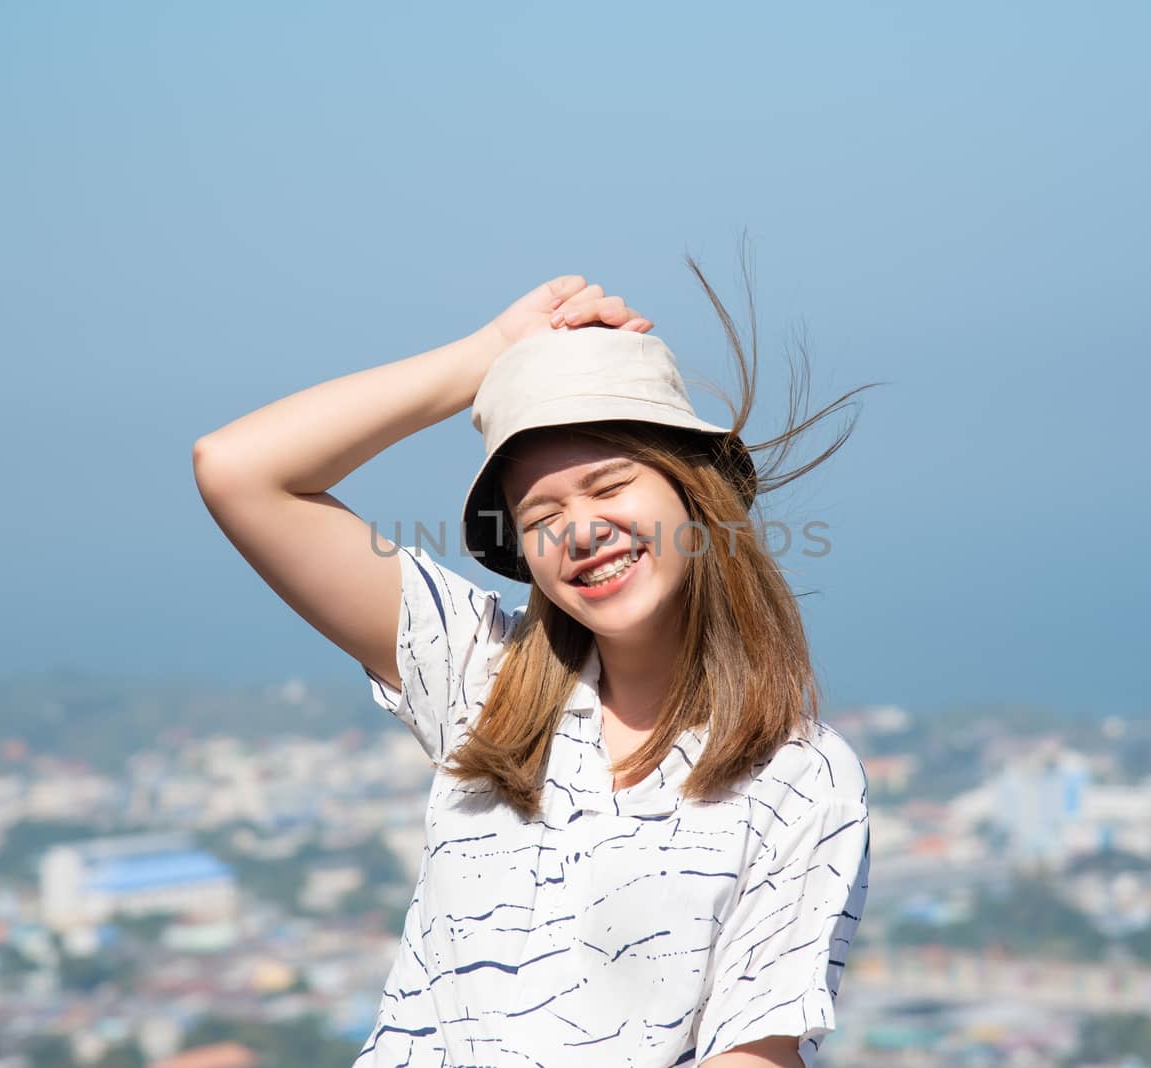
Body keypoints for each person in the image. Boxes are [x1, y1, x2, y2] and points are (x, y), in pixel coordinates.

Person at [193, 263, 875, 1068]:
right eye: (541, 514)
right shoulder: (480, 674)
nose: (580, 532)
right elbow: (238, 469)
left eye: (609, 484)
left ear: (695, 496)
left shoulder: (797, 774)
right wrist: (489, 353)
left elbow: (755, 1053)